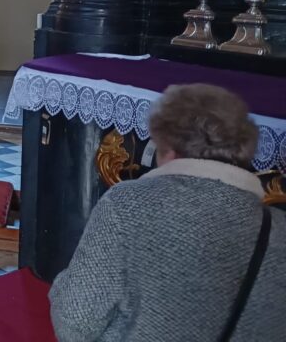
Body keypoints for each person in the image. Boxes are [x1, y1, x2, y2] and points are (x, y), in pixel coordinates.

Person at [49, 84, 286, 342]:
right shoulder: (279, 229)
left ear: (168, 147)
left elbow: (74, 323)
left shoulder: (126, 206)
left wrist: (62, 286)